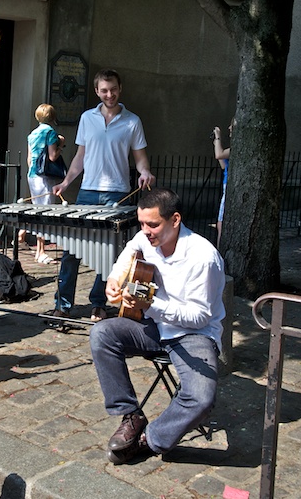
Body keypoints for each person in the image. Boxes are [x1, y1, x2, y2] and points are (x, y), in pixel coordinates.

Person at [91, 188, 225, 464]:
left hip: (193, 335)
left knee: (201, 398)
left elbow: (199, 317)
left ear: (175, 220)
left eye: (152, 224)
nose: (145, 231)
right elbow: (130, 250)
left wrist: (149, 307)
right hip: (153, 326)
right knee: (101, 333)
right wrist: (115, 279)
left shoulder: (203, 257)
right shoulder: (145, 237)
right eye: (141, 223)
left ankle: (149, 440)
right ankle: (131, 415)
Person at [51, 69, 155, 322]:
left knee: (107, 254)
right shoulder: (87, 118)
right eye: (104, 90)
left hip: (117, 194)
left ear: (120, 89)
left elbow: (140, 159)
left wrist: (145, 173)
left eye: (113, 89)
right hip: (87, 193)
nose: (109, 94)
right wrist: (66, 182)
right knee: (71, 252)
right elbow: (80, 157)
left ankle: (98, 303)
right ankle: (63, 304)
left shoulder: (133, 121)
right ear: (97, 91)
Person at [24, 103, 65, 264]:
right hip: (45, 177)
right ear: (53, 117)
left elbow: (29, 159)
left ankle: (24, 235)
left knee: (36, 210)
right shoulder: (50, 132)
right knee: (45, 213)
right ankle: (40, 251)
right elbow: (53, 156)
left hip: (32, 175)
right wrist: (61, 143)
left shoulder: (32, 134)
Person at [212, 117, 234, 247]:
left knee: (221, 223)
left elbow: (219, 155)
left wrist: (218, 137)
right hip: (227, 184)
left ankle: (220, 252)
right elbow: (224, 166)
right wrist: (216, 143)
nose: (229, 128)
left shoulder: (237, 148)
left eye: (232, 125)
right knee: (220, 224)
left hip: (229, 187)